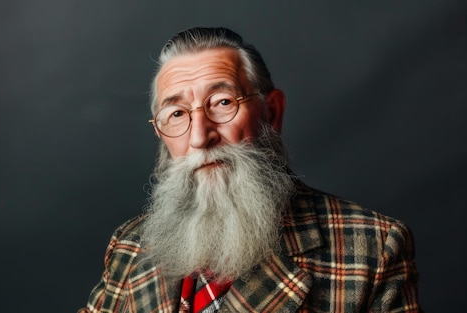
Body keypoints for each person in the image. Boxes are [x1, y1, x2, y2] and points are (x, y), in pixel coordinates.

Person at [78, 27, 421, 313]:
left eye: (223, 103)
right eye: (177, 114)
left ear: (271, 112)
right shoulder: (130, 245)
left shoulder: (374, 248)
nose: (200, 137)